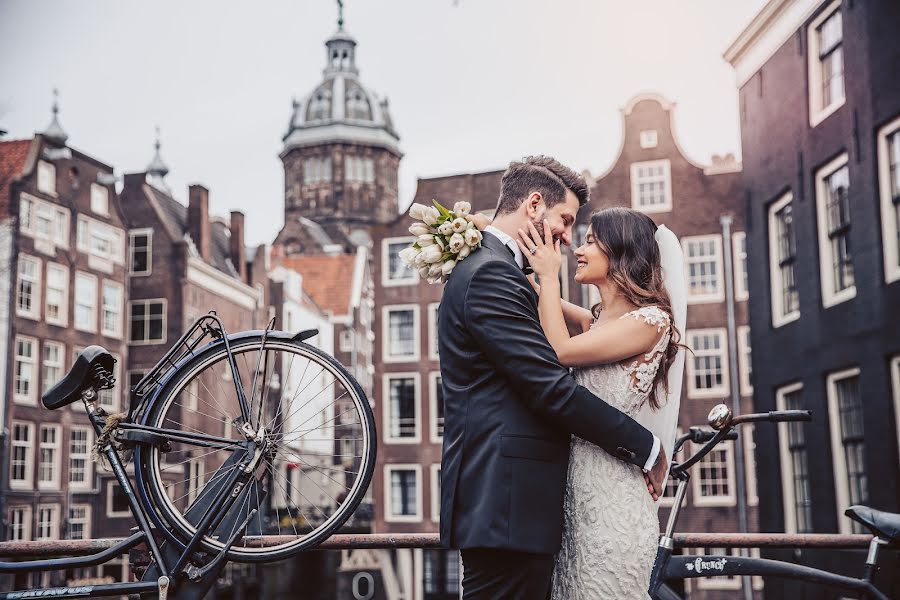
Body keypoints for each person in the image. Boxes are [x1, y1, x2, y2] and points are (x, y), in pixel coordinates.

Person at [437, 156, 669, 600]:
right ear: (535, 204)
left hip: (517, 507)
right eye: (565, 220)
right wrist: (647, 448)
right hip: (506, 505)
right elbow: (550, 388)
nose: (567, 237)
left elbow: (580, 332)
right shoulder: (490, 274)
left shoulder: (498, 269)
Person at [514, 206, 686, 599]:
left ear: (620, 251)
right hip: (576, 503)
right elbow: (541, 298)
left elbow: (559, 350)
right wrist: (478, 232)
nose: (578, 248)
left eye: (591, 241)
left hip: (614, 510)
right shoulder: (598, 321)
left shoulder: (650, 322)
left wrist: (547, 273)